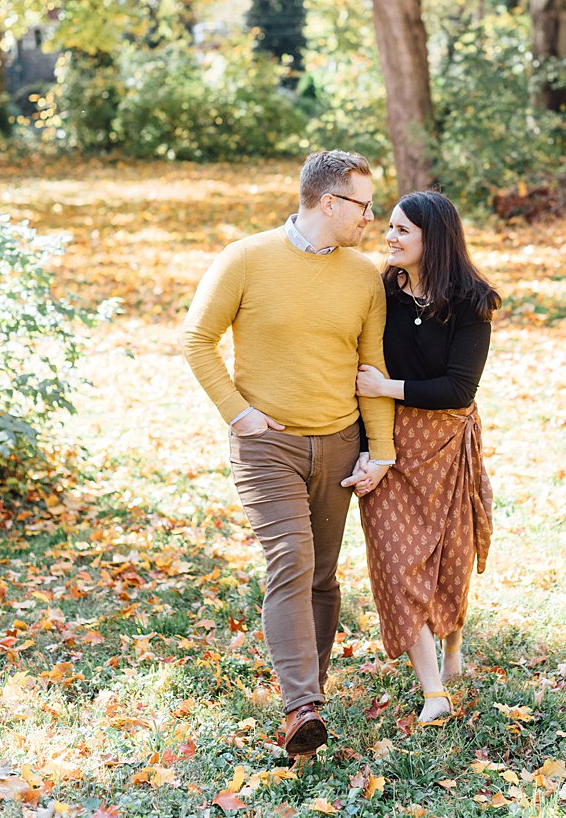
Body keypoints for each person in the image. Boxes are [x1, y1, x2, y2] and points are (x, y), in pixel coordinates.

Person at [180, 150, 396, 757]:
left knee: (322, 577)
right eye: (363, 205)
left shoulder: (363, 277)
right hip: (265, 445)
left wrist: (378, 450)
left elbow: (371, 367)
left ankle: (309, 694)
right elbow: (196, 339)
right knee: (291, 561)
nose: (371, 218)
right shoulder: (246, 259)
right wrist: (238, 412)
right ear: (329, 202)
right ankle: (300, 704)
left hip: (337, 442)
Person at [352, 190, 498, 726]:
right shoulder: (380, 289)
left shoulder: (472, 302)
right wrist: (373, 442)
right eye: (388, 227)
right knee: (398, 562)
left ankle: (452, 643)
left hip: (446, 440)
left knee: (449, 560)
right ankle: (433, 690)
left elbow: (459, 389)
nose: (388, 237)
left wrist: (388, 385)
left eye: (401, 231)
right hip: (389, 439)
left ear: (431, 240)